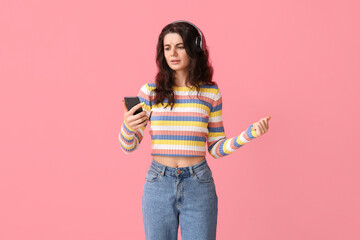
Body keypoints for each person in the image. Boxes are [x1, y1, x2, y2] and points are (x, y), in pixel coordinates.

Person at [118, 20, 271, 240]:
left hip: (198, 183)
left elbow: (216, 148)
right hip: (158, 182)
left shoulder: (210, 93)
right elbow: (128, 146)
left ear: (195, 48)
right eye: (167, 47)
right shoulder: (150, 92)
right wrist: (127, 126)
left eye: (180, 46)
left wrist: (249, 134)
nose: (173, 53)